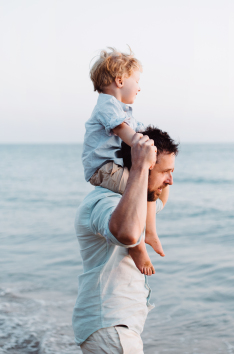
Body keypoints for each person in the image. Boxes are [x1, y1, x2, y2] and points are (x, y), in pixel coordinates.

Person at [73, 126, 179, 353]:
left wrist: (161, 169)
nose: (170, 181)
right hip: (111, 328)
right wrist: (141, 165)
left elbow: (157, 200)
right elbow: (128, 234)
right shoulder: (106, 201)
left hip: (115, 328)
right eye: (164, 172)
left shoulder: (134, 204)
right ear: (143, 166)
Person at [82, 47, 166, 276]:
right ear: (120, 81)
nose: (139, 87)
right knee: (135, 194)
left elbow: (139, 131)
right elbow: (124, 132)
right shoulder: (107, 104)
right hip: (104, 169)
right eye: (136, 81)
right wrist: (144, 149)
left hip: (112, 167)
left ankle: (150, 232)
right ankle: (137, 245)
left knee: (146, 186)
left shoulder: (123, 110)